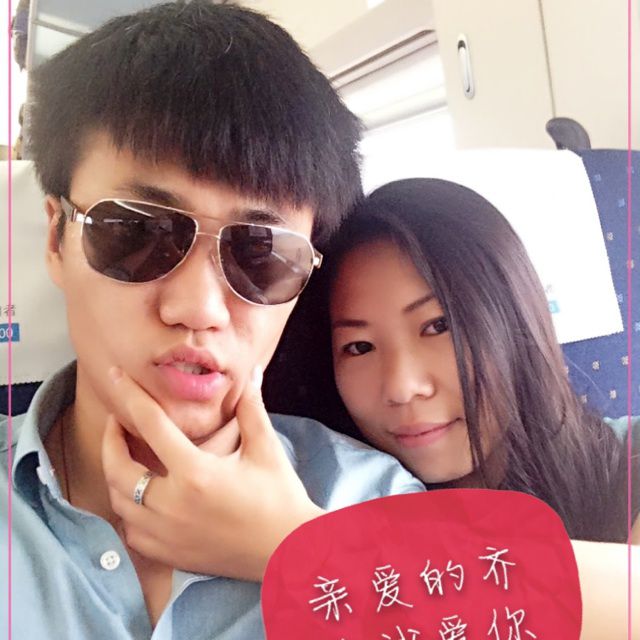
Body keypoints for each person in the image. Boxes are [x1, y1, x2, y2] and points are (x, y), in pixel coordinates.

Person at [0, 4, 425, 638]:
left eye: (262, 254)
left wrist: (307, 555)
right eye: (138, 232)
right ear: (57, 239)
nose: (198, 309)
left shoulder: (378, 506)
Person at [110, 179, 639, 639]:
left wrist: (296, 547)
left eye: (438, 326)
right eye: (359, 347)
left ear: (516, 316)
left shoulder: (628, 461)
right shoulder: (334, 484)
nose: (403, 388)